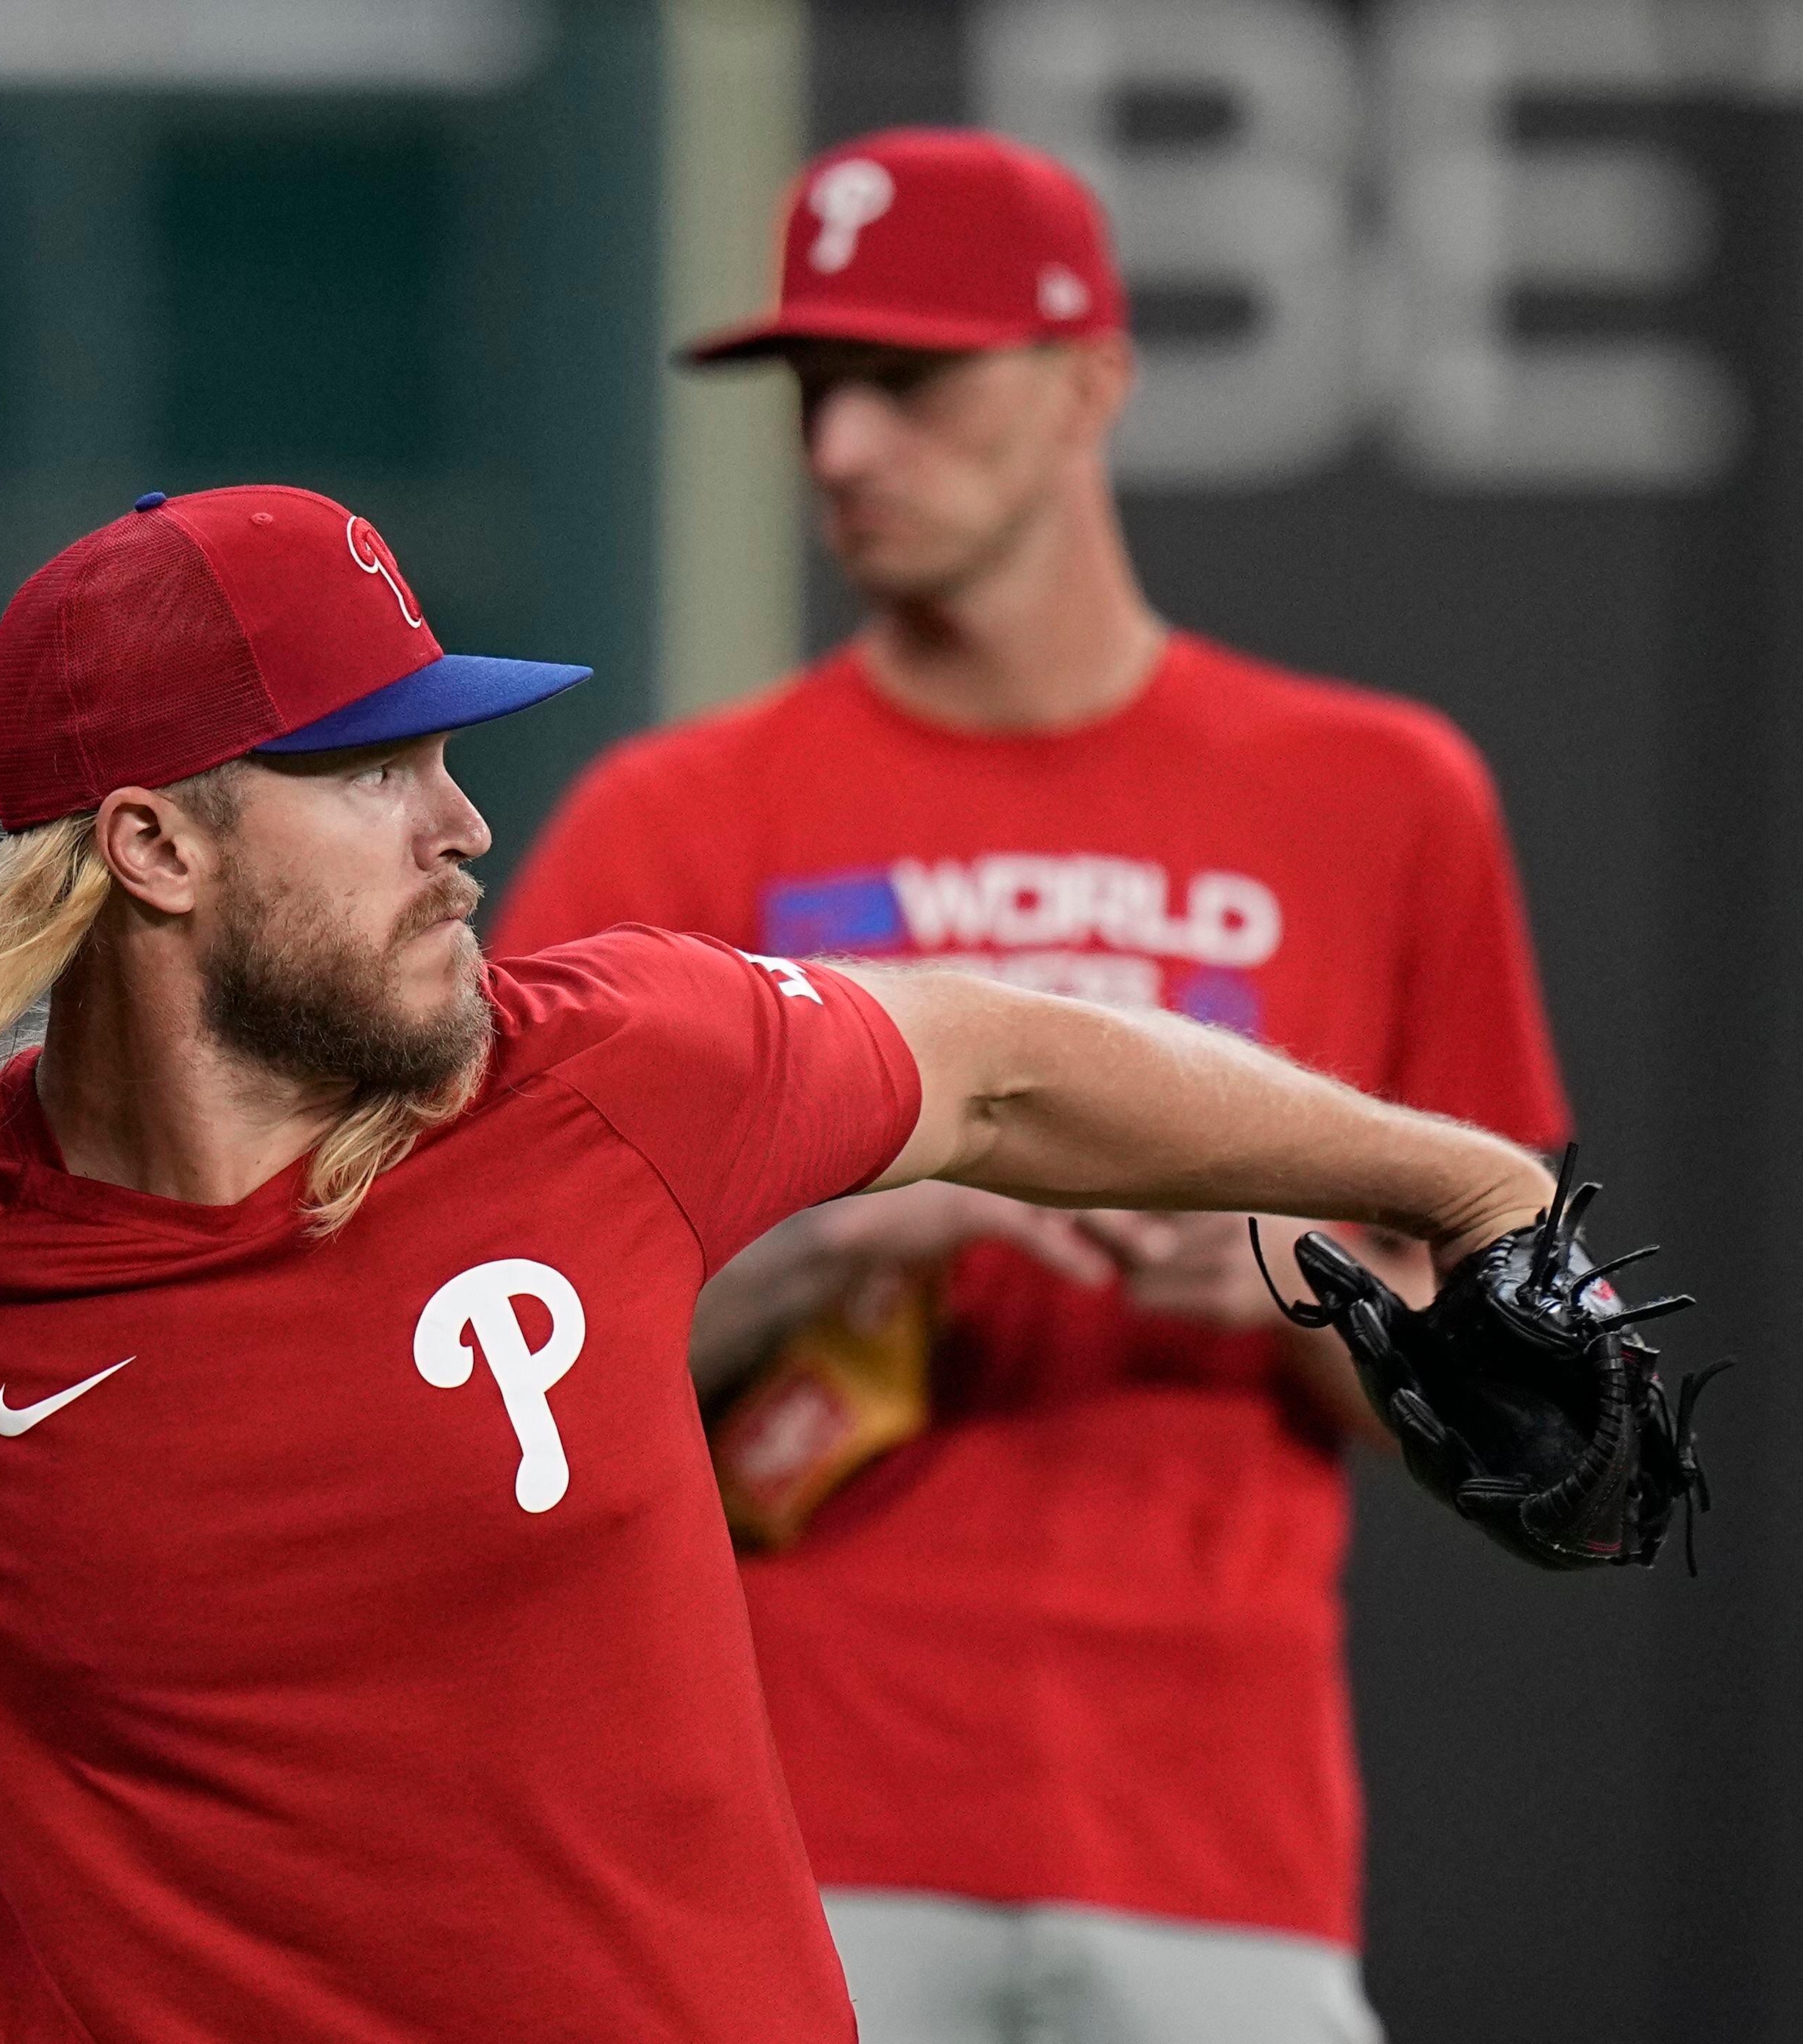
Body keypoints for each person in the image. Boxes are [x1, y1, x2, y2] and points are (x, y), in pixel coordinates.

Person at [0, 484, 1566, 2044]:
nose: (463, 824)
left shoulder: (611, 1073)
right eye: (373, 766)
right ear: (153, 851)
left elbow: (996, 1063)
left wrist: (1455, 1184)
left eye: (451, 749)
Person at [494, 129, 1568, 2041]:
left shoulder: (1377, 797)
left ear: (1089, 378)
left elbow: (1513, 1394)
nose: (836, 449)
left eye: (905, 382)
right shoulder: (674, 819)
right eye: (815, 392)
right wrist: (849, 1229)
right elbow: (495, 1349)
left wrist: (1279, 1268)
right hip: (773, 1824)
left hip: (1213, 1840)